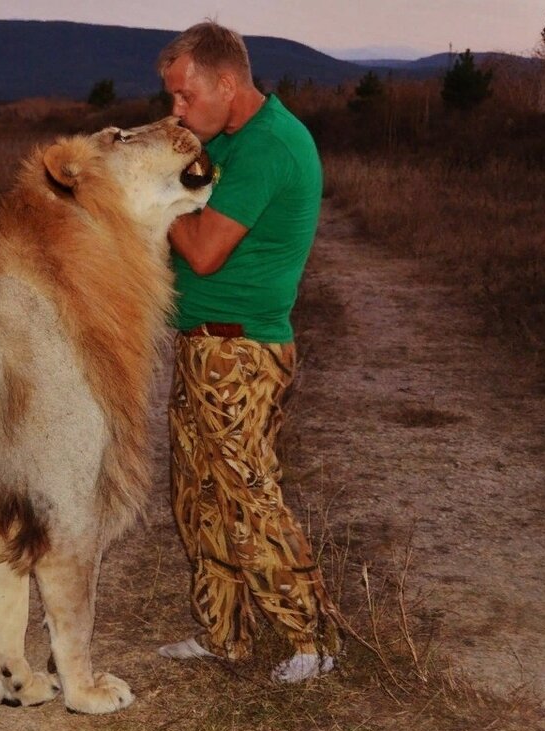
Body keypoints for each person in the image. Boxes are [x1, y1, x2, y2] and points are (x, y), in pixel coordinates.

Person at [155, 21, 343, 683]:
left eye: (184, 95)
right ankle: (224, 634)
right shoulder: (232, 139)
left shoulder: (268, 147)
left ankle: (312, 639)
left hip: (240, 354)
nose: (176, 108)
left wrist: (151, 188)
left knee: (249, 497)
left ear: (227, 83)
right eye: (172, 97)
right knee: (198, 496)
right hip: (204, 348)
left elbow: (203, 251)